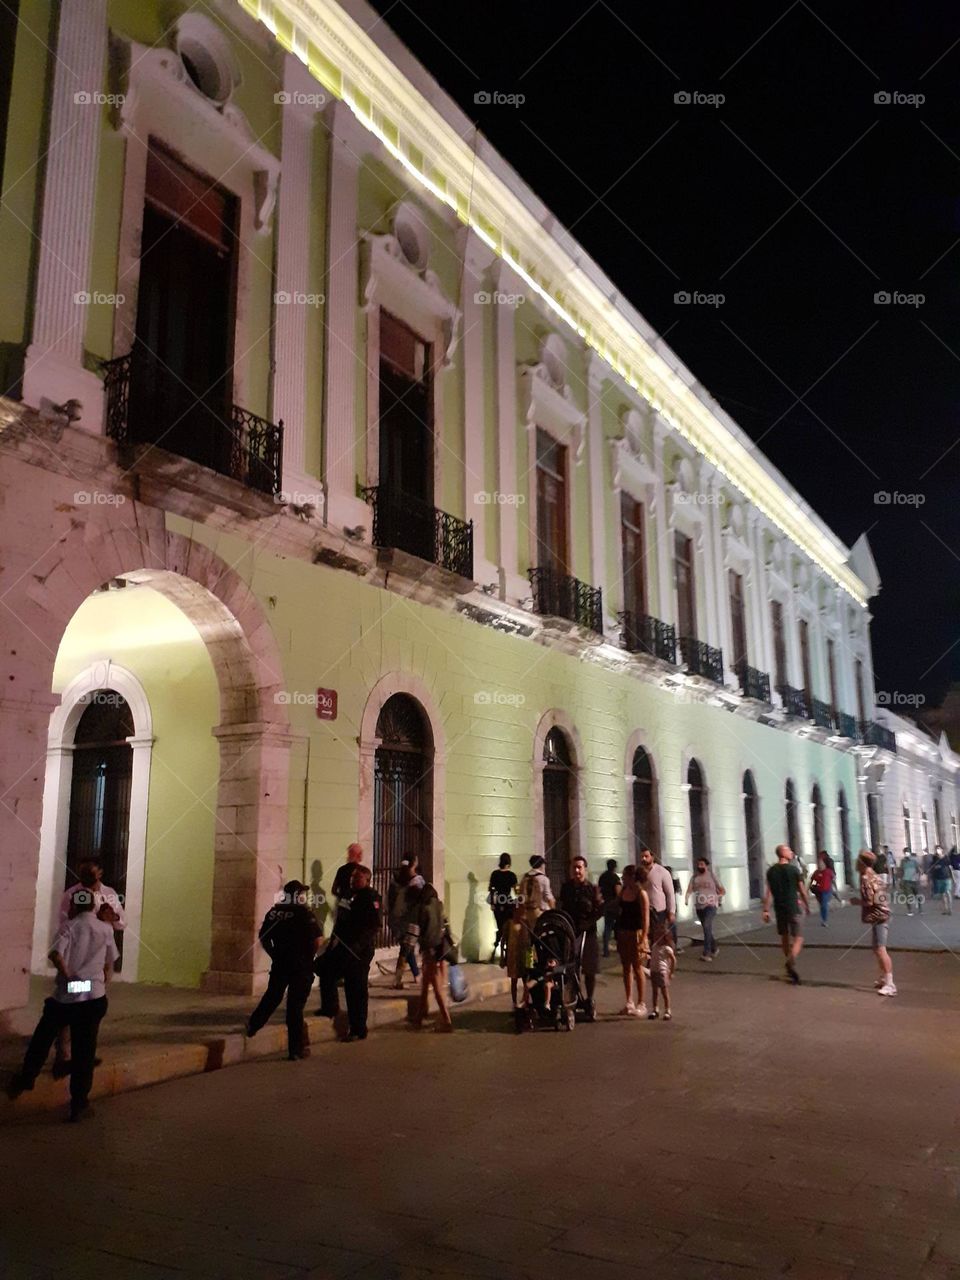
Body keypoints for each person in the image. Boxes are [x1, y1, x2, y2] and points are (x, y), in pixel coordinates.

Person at [7, 893, 118, 1121]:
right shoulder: (105, 929)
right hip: (94, 996)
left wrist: (69, 976)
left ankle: (28, 1076)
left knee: (43, 1036)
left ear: (74, 907)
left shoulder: (69, 927)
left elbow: (56, 955)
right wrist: (103, 977)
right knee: (85, 1050)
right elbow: (110, 958)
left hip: (67, 996)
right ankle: (79, 1103)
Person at [54, 856, 127, 1078]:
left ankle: (83, 1054)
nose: (86, 880)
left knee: (90, 1009)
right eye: (83, 875)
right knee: (71, 1006)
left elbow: (121, 922)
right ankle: (64, 1057)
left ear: (100, 874)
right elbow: (64, 922)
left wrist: (109, 917)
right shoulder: (71, 894)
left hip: (98, 963)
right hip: (76, 963)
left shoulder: (110, 894)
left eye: (91, 875)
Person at [245, 880, 321, 1060]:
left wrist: (274, 954)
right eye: (302, 893)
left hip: (280, 963)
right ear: (298, 895)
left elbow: (263, 936)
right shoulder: (304, 913)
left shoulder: (274, 912)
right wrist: (309, 957)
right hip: (300, 965)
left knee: (272, 996)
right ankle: (296, 1050)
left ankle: (253, 1025)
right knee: (295, 1006)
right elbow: (317, 940)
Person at [317, 865, 381, 1041]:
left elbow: (374, 926)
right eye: (353, 877)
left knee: (356, 988)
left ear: (366, 880)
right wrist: (333, 941)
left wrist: (357, 947)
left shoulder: (371, 897)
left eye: (357, 878)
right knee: (325, 970)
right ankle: (330, 1007)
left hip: (358, 951)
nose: (353, 880)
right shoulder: (348, 894)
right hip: (342, 945)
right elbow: (341, 919)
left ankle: (358, 1028)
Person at [506, 855, 555, 1006]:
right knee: (543, 953)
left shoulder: (524, 878)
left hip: (526, 920)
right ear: (541, 865)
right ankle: (546, 994)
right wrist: (554, 914)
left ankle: (527, 996)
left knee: (529, 956)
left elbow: (520, 900)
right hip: (540, 918)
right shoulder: (543, 879)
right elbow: (549, 898)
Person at [558, 855, 603, 1020]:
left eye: (580, 867)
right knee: (570, 968)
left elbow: (599, 910)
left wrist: (588, 921)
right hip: (570, 931)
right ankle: (573, 998)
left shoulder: (592, 889)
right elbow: (562, 906)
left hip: (588, 932)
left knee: (589, 969)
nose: (577, 870)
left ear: (585, 869)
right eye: (574, 867)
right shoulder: (566, 888)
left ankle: (589, 999)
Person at [762, 844, 810, 985]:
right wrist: (807, 904)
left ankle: (789, 963)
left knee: (784, 936)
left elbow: (769, 892)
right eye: (789, 850)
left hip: (779, 908)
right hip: (793, 907)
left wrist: (766, 909)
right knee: (799, 938)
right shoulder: (794, 870)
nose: (792, 852)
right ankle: (791, 960)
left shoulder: (771, 871)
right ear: (783, 854)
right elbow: (802, 890)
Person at [413, 880, 453, 1032]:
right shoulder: (439, 905)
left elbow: (425, 932)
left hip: (430, 950)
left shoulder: (423, 908)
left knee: (436, 987)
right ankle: (420, 1015)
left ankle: (446, 1020)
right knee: (426, 983)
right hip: (439, 949)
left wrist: (423, 948)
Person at [857, 849, 895, 996]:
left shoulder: (866, 877)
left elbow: (869, 900)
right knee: (876, 948)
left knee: (880, 949)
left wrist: (856, 902)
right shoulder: (873, 874)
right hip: (881, 914)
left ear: (861, 862)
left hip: (880, 916)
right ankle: (884, 978)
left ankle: (890, 984)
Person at [615, 864, 650, 1016]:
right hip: (623, 931)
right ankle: (629, 1001)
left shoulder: (641, 894)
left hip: (636, 933)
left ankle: (641, 1003)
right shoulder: (623, 891)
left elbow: (645, 918)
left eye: (625, 875)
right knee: (625, 967)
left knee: (637, 967)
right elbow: (616, 906)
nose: (622, 878)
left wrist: (643, 938)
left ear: (632, 877)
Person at [388, 858, 423, 989]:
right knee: (406, 949)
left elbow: (390, 900)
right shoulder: (416, 881)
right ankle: (397, 980)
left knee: (407, 948)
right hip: (412, 920)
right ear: (414, 864)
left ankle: (416, 975)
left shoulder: (395, 880)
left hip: (397, 920)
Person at [684, 857, 724, 960]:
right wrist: (686, 899)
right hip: (699, 906)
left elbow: (722, 890)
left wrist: (717, 898)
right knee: (706, 929)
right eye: (698, 864)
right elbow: (689, 890)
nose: (699, 866)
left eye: (702, 864)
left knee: (706, 926)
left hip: (711, 906)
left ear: (707, 866)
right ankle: (714, 948)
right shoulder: (694, 877)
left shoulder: (712, 876)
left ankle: (706, 953)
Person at [487, 852, 518, 964]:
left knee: (500, 928)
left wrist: (492, 903)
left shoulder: (495, 874)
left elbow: (491, 889)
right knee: (508, 930)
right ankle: (507, 954)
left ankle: (495, 951)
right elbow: (516, 891)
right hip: (508, 904)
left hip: (498, 904)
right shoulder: (512, 875)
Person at [639, 847, 676, 940]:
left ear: (652, 857)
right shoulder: (639, 872)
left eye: (646, 856)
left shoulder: (662, 872)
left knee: (658, 936)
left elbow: (670, 893)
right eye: (642, 856)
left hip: (658, 911)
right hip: (643, 909)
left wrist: (671, 911)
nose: (643, 858)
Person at [647, 917, 676, 1020]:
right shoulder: (654, 946)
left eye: (658, 936)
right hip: (654, 970)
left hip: (662, 971)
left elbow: (673, 960)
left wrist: (671, 971)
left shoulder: (666, 948)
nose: (656, 937)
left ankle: (668, 1010)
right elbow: (652, 957)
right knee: (654, 991)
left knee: (664, 991)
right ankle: (655, 1009)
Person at [598, 858, 621, 958]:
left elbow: (599, 890)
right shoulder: (615, 877)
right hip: (615, 904)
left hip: (606, 904)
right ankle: (620, 947)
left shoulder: (602, 876)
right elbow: (618, 892)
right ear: (614, 867)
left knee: (607, 927)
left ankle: (606, 950)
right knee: (619, 927)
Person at [809, 850, 836, 927]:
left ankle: (824, 920)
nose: (820, 865)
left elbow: (832, 879)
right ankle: (823, 917)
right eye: (819, 864)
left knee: (824, 904)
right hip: (818, 891)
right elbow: (813, 880)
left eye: (821, 863)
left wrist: (832, 887)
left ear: (824, 864)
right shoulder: (816, 872)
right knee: (822, 905)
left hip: (826, 890)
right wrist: (812, 886)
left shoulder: (828, 872)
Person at [930, 847, 952, 915]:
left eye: (939, 849)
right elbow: (932, 866)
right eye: (936, 849)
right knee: (942, 894)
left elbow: (949, 865)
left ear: (942, 850)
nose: (937, 850)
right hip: (939, 878)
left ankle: (950, 909)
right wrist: (935, 867)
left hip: (946, 877)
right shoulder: (934, 858)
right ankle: (945, 909)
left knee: (947, 892)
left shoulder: (946, 857)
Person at [900, 848, 921, 915]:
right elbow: (901, 870)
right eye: (905, 852)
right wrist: (900, 880)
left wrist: (918, 877)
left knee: (917, 895)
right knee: (908, 896)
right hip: (906, 881)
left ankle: (920, 909)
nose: (906, 853)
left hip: (914, 880)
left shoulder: (914, 861)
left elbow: (919, 870)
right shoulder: (902, 861)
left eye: (908, 852)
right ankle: (910, 910)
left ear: (910, 853)